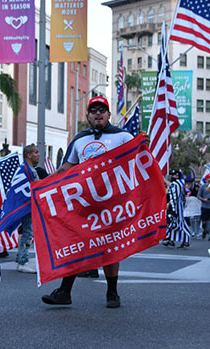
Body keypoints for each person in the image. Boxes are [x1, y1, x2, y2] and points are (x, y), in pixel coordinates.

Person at [41, 96, 133, 309]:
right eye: (94, 110)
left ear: (109, 114)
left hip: (111, 203)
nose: (98, 113)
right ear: (88, 116)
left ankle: (112, 292)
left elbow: (140, 158)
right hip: (83, 203)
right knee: (76, 244)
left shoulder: (122, 137)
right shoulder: (80, 139)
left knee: (110, 246)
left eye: (102, 110)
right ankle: (64, 291)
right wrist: (46, 182)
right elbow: (68, 167)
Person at [16, 144, 40, 274]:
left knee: (28, 232)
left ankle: (21, 258)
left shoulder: (27, 169)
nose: (38, 155)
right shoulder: (27, 170)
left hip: (29, 207)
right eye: (36, 152)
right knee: (27, 233)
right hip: (28, 207)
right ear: (29, 155)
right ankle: (22, 261)